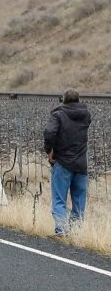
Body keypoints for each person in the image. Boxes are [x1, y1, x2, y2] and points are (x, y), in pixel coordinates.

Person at [43, 89, 91, 238]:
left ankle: (62, 230)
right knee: (79, 201)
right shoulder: (86, 115)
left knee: (59, 200)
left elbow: (49, 133)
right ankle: (76, 232)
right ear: (78, 100)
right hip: (81, 164)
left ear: (63, 100)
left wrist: (49, 150)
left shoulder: (58, 114)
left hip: (63, 162)